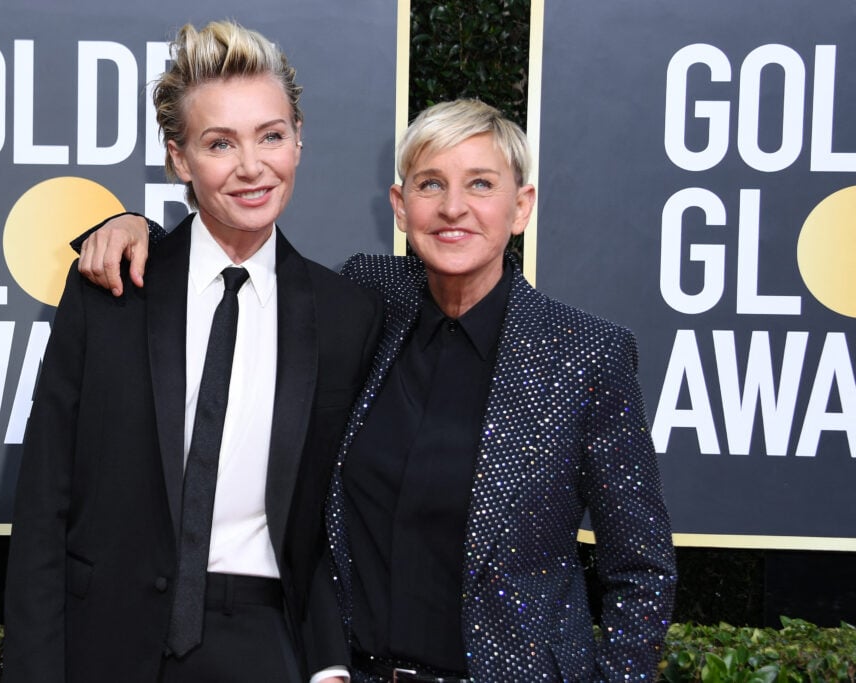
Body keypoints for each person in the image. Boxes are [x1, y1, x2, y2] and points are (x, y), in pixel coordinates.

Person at [81, 100, 677, 681]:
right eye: (429, 184)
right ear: (399, 205)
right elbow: (248, 269)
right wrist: (137, 230)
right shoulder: (368, 301)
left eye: (480, 185)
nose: (453, 208)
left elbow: (643, 567)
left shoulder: (583, 354)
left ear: (521, 207)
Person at [4, 20, 380, 683]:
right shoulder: (112, 288)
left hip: (267, 644)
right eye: (219, 143)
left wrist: (328, 663)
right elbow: (42, 507)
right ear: (180, 158)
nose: (251, 166)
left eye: (271, 135)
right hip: (108, 644)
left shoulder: (346, 316)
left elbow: (332, 519)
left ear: (298, 138)